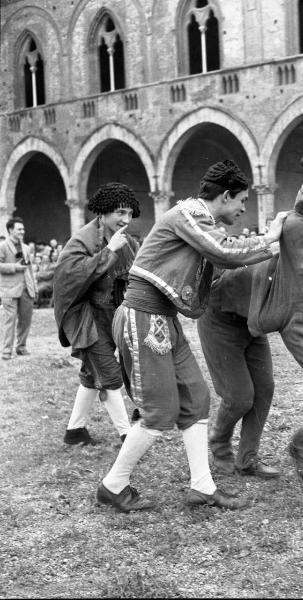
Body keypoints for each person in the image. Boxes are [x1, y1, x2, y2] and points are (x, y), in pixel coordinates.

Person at [97, 159, 287, 513]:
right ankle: (113, 485)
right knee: (159, 412)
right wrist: (272, 238)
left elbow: (212, 267)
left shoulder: (198, 220)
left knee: (197, 400)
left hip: (162, 319)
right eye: (242, 200)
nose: (245, 208)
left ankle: (202, 486)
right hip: (143, 316)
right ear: (226, 195)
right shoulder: (190, 215)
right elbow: (225, 252)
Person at [53, 183, 141, 445]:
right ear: (103, 212)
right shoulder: (82, 239)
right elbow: (70, 278)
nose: (125, 219)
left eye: (129, 213)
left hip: (110, 316)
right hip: (85, 318)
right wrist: (109, 251)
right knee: (109, 374)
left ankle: (74, 431)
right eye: (120, 213)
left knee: (92, 376)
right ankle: (127, 436)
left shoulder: (126, 241)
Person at [198, 265, 280, 480]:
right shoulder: (259, 266)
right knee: (239, 397)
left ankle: (247, 459)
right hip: (220, 321)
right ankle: (220, 444)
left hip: (251, 320)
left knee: (264, 389)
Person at [0, 217, 37, 360]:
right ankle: (6, 351)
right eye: (19, 229)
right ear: (10, 230)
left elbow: (30, 270)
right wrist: (14, 267)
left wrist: (34, 286)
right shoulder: (3, 246)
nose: (23, 231)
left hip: (27, 289)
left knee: (25, 321)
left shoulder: (26, 247)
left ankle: (21, 347)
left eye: (23, 229)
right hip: (9, 290)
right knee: (10, 321)